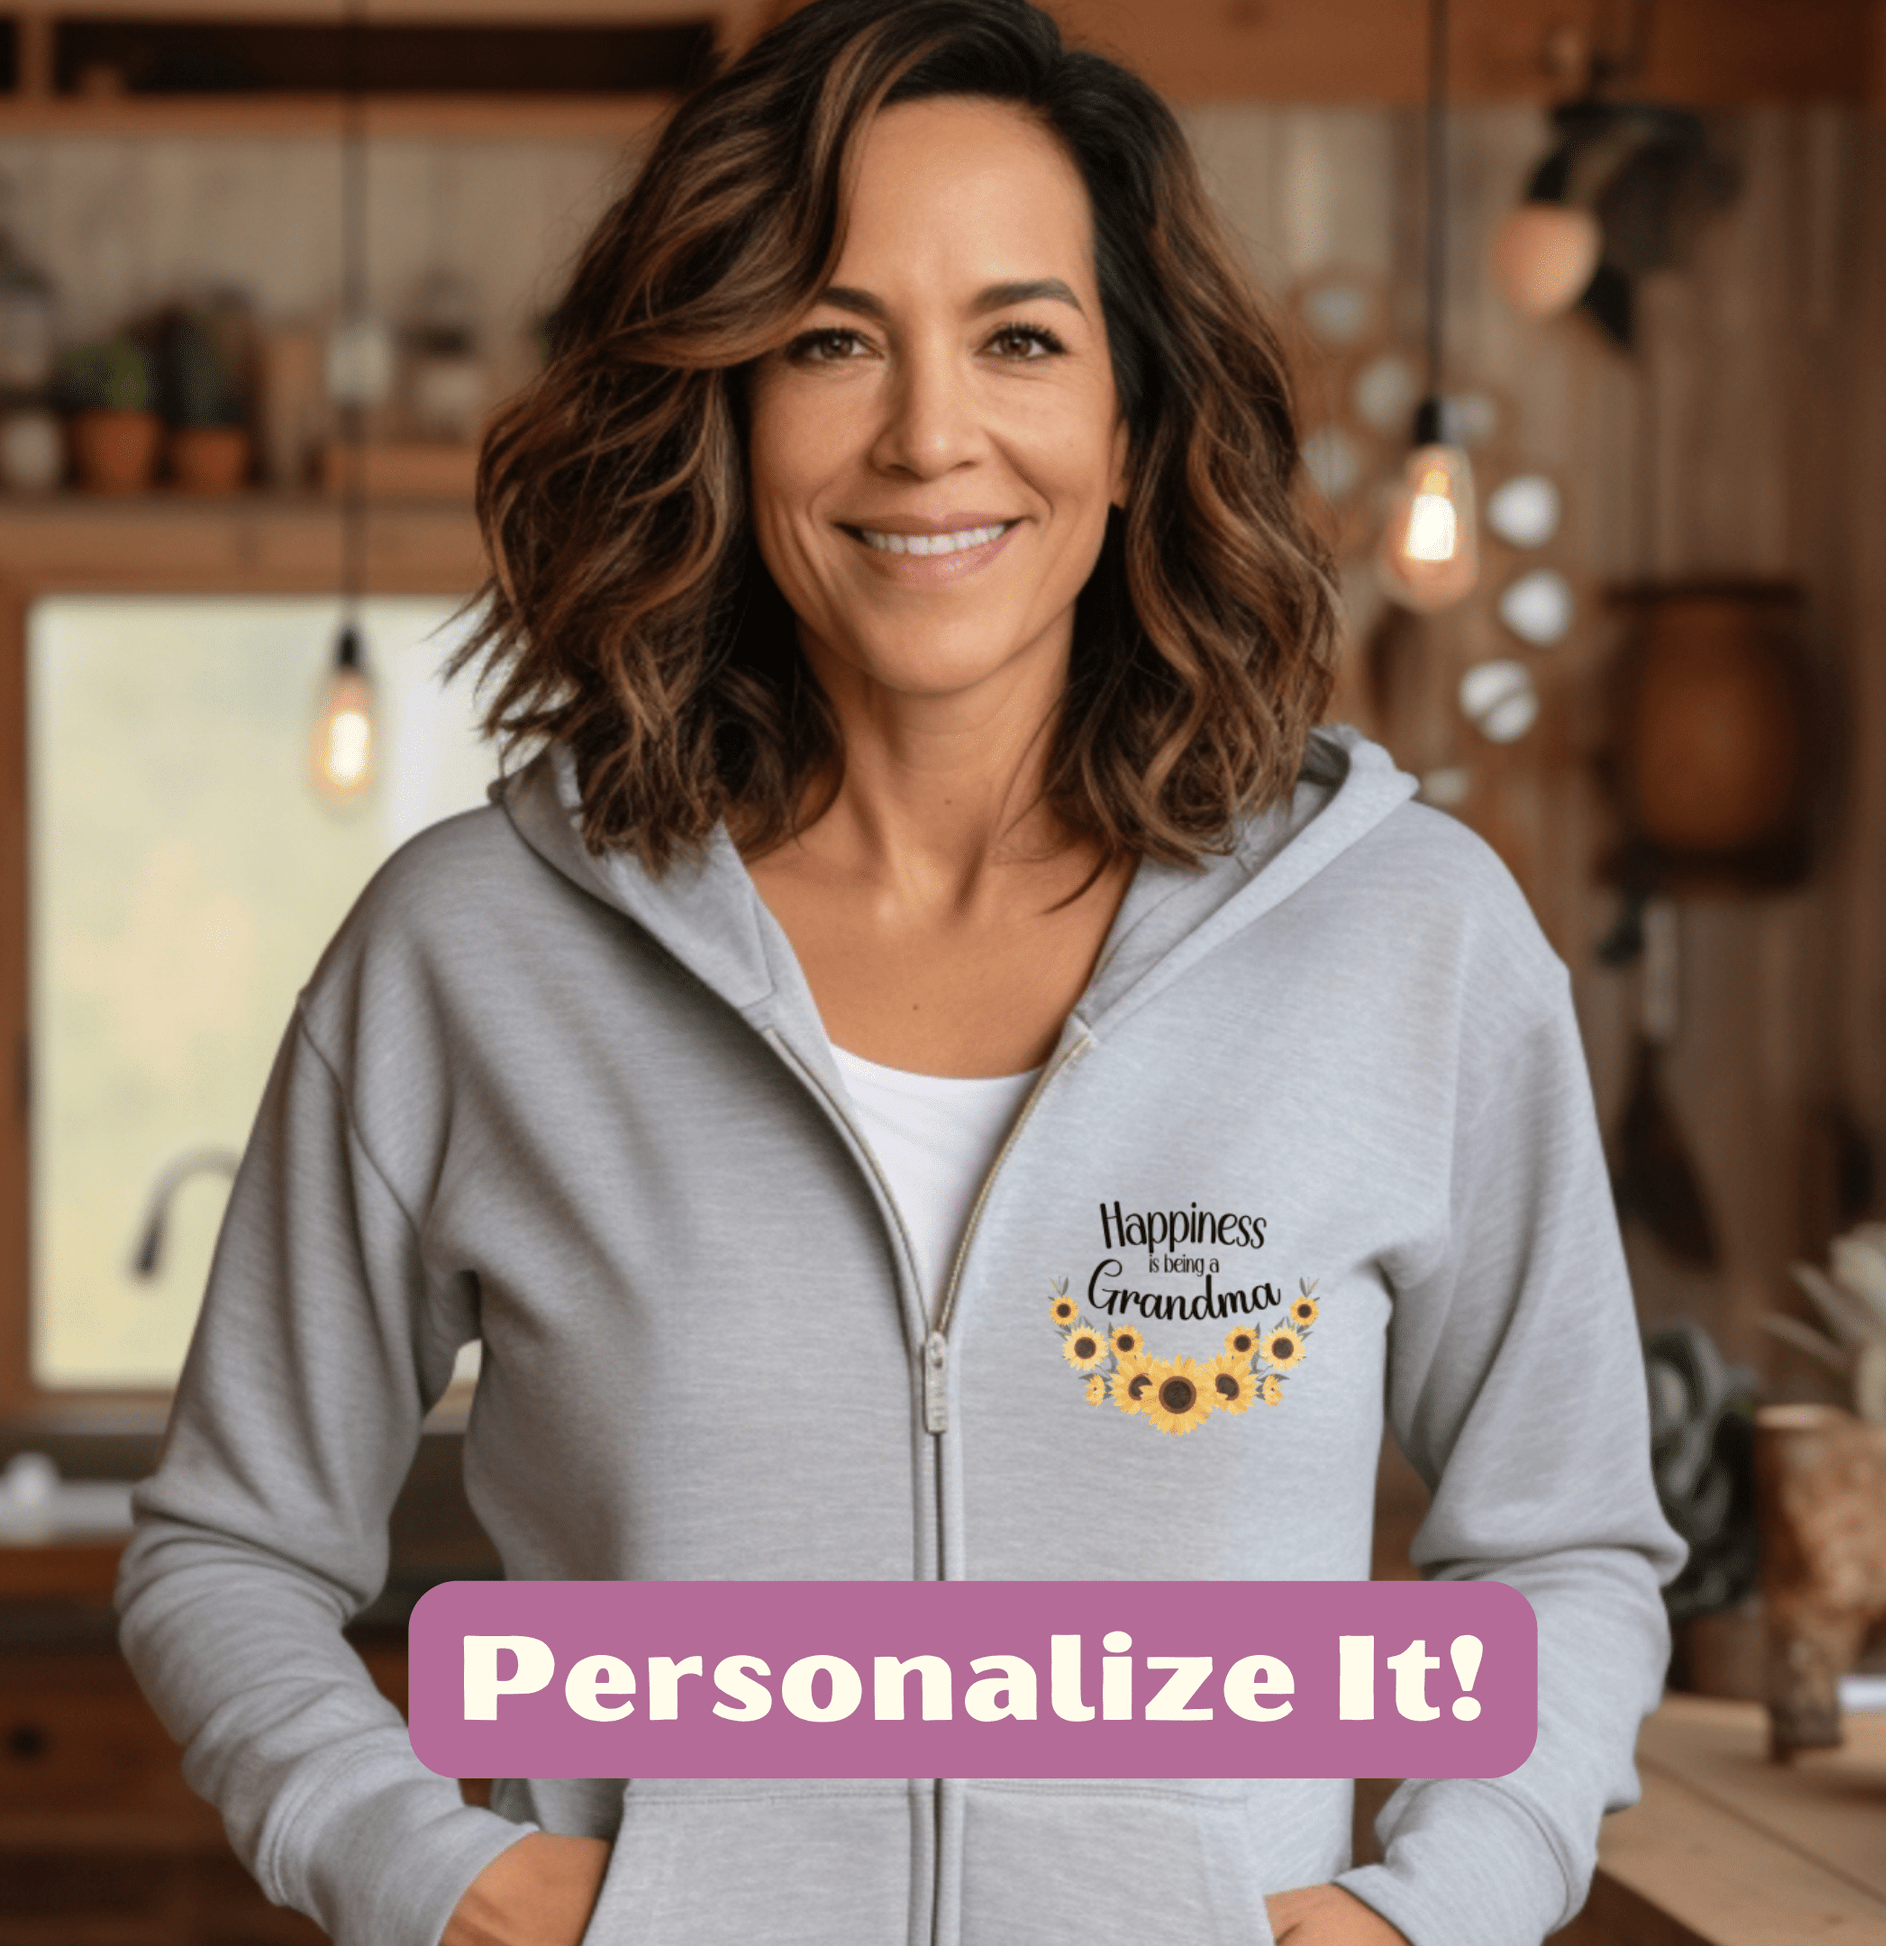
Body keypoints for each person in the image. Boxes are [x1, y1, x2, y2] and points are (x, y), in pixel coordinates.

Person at [116, 3, 1684, 1943]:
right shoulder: (469, 957)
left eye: (1021, 338)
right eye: (830, 340)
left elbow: (1569, 1550)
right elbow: (225, 1549)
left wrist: (1423, 1913)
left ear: (1131, 429)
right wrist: (446, 1881)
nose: (929, 431)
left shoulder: (1412, 945)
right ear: (724, 404)